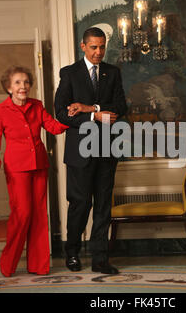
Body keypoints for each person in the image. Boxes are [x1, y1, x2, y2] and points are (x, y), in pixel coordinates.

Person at [54, 27, 127, 274]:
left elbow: (120, 107)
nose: (98, 52)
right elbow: (62, 113)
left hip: (107, 150)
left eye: (102, 47)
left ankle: (100, 259)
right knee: (80, 204)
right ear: (83, 46)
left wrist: (89, 107)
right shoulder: (70, 74)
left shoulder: (113, 73)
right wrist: (96, 115)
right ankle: (72, 252)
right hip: (79, 152)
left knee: (103, 205)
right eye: (94, 47)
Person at [0, 66, 69, 277]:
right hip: (17, 168)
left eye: (25, 82)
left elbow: (52, 126)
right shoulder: (0, 110)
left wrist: (70, 118)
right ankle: (8, 264)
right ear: (8, 88)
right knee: (22, 213)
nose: (22, 86)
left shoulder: (37, 105)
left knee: (40, 215)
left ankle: (39, 266)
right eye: (17, 82)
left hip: (40, 165)